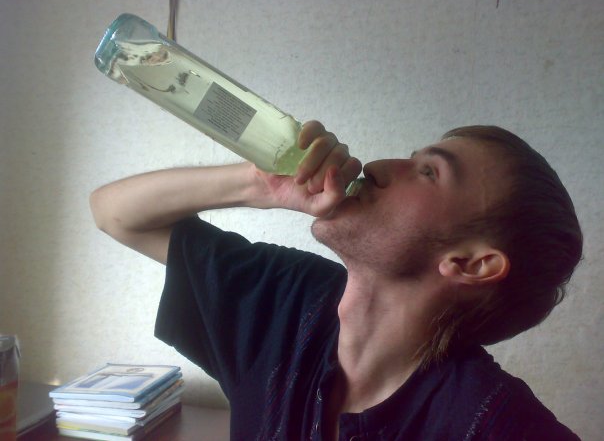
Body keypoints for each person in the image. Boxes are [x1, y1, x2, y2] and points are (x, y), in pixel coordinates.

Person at [90, 121, 582, 440]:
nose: (379, 167)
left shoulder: (492, 423)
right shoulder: (286, 297)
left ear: (471, 264)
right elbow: (115, 214)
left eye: (428, 172)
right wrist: (260, 184)